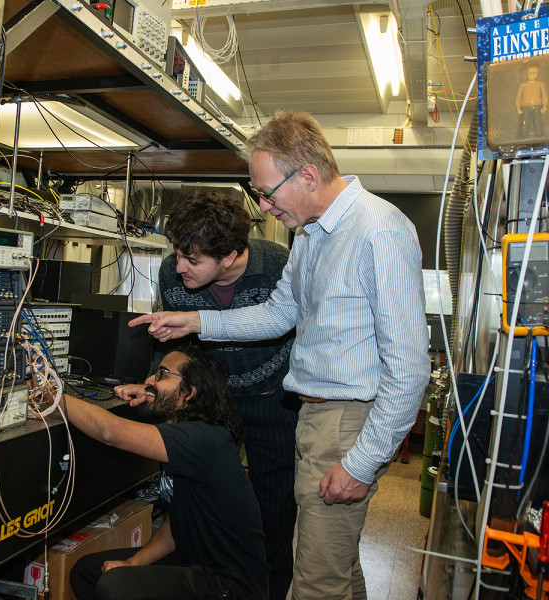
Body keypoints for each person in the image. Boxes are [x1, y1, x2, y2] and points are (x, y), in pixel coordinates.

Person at [130, 110, 431, 600]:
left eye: (267, 191)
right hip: (314, 420)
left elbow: (409, 365)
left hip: (346, 423)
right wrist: (195, 321)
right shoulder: (311, 235)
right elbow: (278, 314)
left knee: (315, 583)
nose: (264, 206)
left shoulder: (376, 229)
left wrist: (362, 462)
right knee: (336, 567)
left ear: (308, 175)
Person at [114, 190, 297, 599]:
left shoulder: (279, 267)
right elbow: (175, 348)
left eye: (192, 260)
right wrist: (151, 385)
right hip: (211, 401)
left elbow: (297, 327)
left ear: (229, 255)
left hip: (273, 398)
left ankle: (269, 590)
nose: (178, 267)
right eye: (178, 253)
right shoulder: (171, 273)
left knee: (274, 508)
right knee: (197, 501)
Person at [65, 346, 269, 600]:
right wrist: (133, 564)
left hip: (228, 585)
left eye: (162, 375)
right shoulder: (182, 435)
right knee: (86, 572)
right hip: (190, 563)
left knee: (117, 586)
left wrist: (55, 397)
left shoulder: (205, 439)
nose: (150, 380)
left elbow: (110, 432)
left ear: (190, 393)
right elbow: (176, 528)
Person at [516, 64, 548, 139]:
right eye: (529, 73)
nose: (531, 75)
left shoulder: (540, 84)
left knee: (537, 121)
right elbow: (518, 96)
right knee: (524, 122)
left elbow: (544, 95)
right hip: (525, 107)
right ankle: (523, 135)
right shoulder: (523, 85)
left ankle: (540, 135)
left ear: (538, 74)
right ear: (526, 74)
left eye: (534, 73)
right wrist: (518, 108)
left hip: (537, 106)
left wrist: (545, 105)